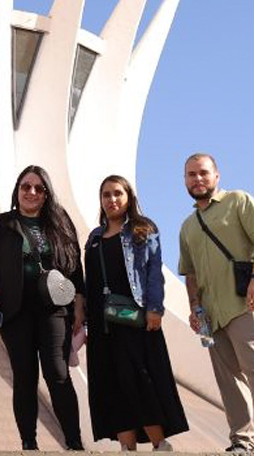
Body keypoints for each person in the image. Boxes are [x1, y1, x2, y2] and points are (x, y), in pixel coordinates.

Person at [178, 153, 254, 454]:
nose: (197, 179)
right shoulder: (187, 226)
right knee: (228, 379)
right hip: (213, 312)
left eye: (203, 173)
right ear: (184, 180)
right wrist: (195, 307)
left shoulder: (239, 201)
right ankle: (242, 438)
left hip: (245, 299)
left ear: (217, 175)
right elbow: (191, 273)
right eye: (191, 175)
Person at [0, 165, 85, 451]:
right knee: (25, 377)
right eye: (26, 186)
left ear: (46, 193)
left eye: (38, 188)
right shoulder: (3, 224)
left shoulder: (60, 223)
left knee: (58, 373)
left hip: (53, 312)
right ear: (17, 190)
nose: (31, 192)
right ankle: (29, 443)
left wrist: (79, 309)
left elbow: (76, 270)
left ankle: (74, 442)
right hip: (15, 312)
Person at [84, 175, 188, 452]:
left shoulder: (142, 229)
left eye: (118, 193)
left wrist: (155, 309)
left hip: (135, 320)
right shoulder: (94, 238)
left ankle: (159, 444)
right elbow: (89, 282)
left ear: (128, 197)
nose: (112, 199)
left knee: (140, 378)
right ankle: (126, 448)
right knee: (111, 383)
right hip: (101, 325)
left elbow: (154, 273)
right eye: (106, 194)